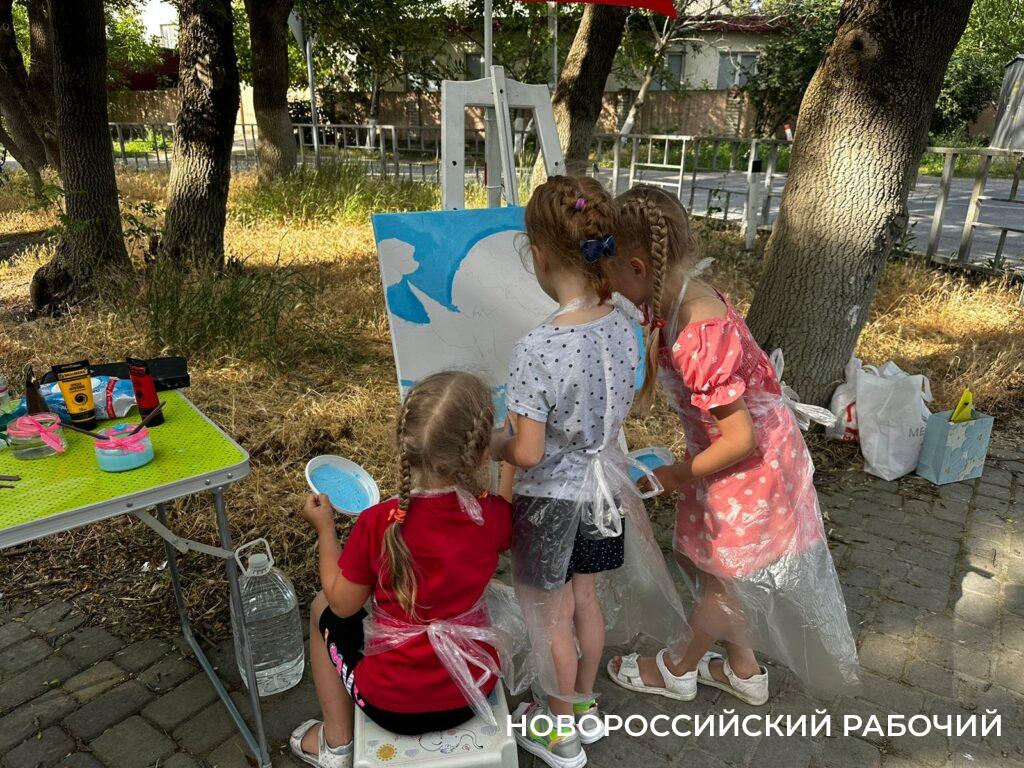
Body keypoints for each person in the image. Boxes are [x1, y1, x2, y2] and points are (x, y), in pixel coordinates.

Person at [605, 184, 860, 705]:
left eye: (610, 278)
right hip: (727, 463)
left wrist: (677, 474)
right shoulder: (680, 298)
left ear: (636, 266)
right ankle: (743, 670)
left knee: (726, 578)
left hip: (749, 467)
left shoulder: (697, 329)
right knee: (720, 567)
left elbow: (740, 437)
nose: (611, 290)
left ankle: (677, 668)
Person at [492, 176, 686, 768]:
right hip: (604, 493)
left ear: (539, 255)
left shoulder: (537, 347)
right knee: (586, 599)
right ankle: (582, 705)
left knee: (549, 617)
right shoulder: (623, 322)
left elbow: (527, 453)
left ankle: (560, 733)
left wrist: (491, 443)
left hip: (551, 503)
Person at [292, 371, 513, 768]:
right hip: (472, 691)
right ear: (482, 452)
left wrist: (325, 530)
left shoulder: (379, 521)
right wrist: (510, 457)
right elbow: (504, 513)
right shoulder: (491, 516)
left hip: (389, 705)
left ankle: (335, 742)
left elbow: (342, 605)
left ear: (404, 444)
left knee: (320, 606)